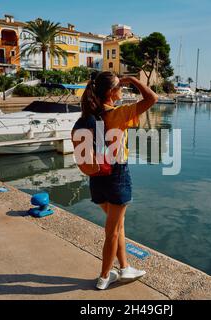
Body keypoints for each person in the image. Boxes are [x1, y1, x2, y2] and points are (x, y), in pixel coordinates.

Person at [74, 71, 158, 290]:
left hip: (97, 177)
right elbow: (152, 98)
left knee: (118, 226)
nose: (123, 89)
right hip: (117, 175)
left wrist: (124, 82)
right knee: (112, 231)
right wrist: (133, 80)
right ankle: (104, 277)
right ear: (111, 92)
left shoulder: (94, 114)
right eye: (121, 87)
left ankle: (124, 268)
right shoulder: (119, 114)